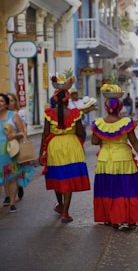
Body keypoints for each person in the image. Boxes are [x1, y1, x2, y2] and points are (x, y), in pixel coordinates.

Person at [91, 96, 138, 229]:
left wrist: (103, 135)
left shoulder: (99, 123)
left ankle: (112, 218)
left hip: (105, 160)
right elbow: (134, 141)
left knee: (108, 189)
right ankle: (130, 218)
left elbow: (94, 142)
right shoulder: (126, 122)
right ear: (119, 108)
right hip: (123, 159)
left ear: (106, 108)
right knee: (127, 188)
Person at [39, 87, 90, 223]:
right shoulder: (75, 113)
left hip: (54, 146)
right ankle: (65, 213)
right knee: (69, 178)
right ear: (68, 100)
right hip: (71, 146)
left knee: (58, 176)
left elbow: (45, 133)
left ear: (55, 100)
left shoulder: (49, 113)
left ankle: (60, 205)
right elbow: (80, 132)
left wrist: (41, 153)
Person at [0, 93, 35, 212]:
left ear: (6, 104)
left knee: (12, 177)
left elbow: (22, 133)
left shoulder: (13, 115)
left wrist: (14, 136)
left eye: (1, 101)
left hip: (10, 151)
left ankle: (12, 202)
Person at [7, 92, 28, 201]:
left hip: (17, 143)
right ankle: (8, 194)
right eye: (8, 101)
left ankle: (18, 184)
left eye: (11, 100)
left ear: (15, 101)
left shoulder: (20, 113)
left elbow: (24, 128)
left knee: (17, 167)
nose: (9, 103)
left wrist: (24, 141)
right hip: (5, 145)